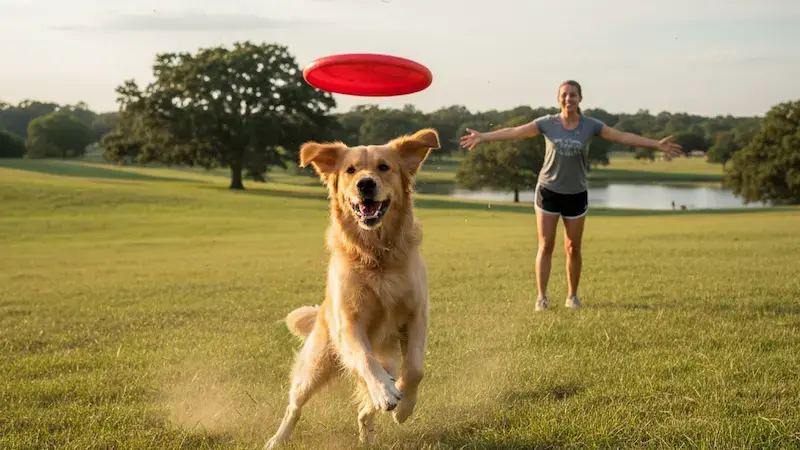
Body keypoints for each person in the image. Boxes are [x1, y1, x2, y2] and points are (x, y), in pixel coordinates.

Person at [459, 80, 683, 311]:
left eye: (573, 95)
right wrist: (484, 137)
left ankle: (572, 296)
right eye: (565, 95)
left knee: (573, 247)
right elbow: (516, 132)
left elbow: (622, 137)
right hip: (548, 191)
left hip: (576, 193)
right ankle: (542, 298)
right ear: (559, 99)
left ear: (580, 99)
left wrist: (656, 144)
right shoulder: (547, 123)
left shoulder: (590, 125)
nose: (569, 99)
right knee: (546, 245)